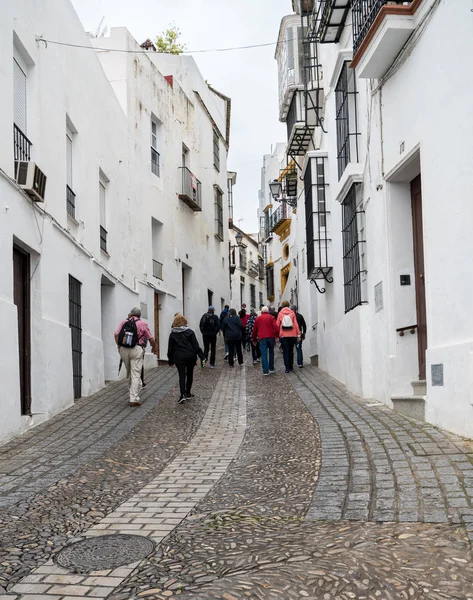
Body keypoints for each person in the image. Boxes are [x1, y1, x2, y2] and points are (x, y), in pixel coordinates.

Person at [115, 307, 156, 407]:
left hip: (124, 349)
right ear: (139, 315)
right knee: (136, 373)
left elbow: (116, 334)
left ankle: (132, 391)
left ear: (131, 313)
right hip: (137, 349)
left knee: (130, 372)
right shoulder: (143, 324)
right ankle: (134, 398)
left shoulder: (124, 321)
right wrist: (153, 347)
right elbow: (151, 338)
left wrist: (118, 346)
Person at [168, 314, 205, 404]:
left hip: (179, 357)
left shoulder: (173, 333)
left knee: (182, 375)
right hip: (190, 356)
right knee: (190, 374)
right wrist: (202, 356)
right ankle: (188, 392)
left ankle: (182, 395)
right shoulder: (190, 332)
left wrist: (170, 360)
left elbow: (170, 349)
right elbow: (196, 346)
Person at [252, 306, 279, 375]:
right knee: (271, 352)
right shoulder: (271, 317)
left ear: (261, 311)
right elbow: (276, 327)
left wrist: (254, 339)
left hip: (262, 337)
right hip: (271, 337)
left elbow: (254, 330)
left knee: (264, 353)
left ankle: (265, 370)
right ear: (268, 311)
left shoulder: (258, 319)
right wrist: (277, 336)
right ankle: (271, 367)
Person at [276, 301, 301, 373]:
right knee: (291, 351)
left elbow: (277, 325)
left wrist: (277, 335)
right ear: (288, 305)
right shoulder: (292, 313)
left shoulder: (280, 314)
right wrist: (298, 334)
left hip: (283, 336)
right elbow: (296, 325)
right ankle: (291, 367)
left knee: (285, 351)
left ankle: (287, 368)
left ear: (282, 306)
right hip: (292, 335)